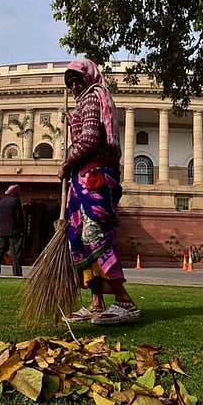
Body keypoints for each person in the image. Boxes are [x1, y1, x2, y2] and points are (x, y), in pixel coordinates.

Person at [59, 58, 140, 325]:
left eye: (77, 80)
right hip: (84, 177)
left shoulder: (91, 98)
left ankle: (124, 300)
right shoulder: (86, 101)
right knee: (79, 237)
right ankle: (96, 302)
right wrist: (73, 121)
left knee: (95, 234)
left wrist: (67, 163)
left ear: (89, 78)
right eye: (70, 82)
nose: (73, 86)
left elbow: (91, 140)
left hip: (93, 177)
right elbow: (87, 132)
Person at [0, 184, 24, 276]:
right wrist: (21, 229)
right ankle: (17, 272)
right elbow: (19, 217)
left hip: (2, 231)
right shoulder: (16, 201)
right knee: (15, 253)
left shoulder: (0, 202)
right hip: (14, 231)